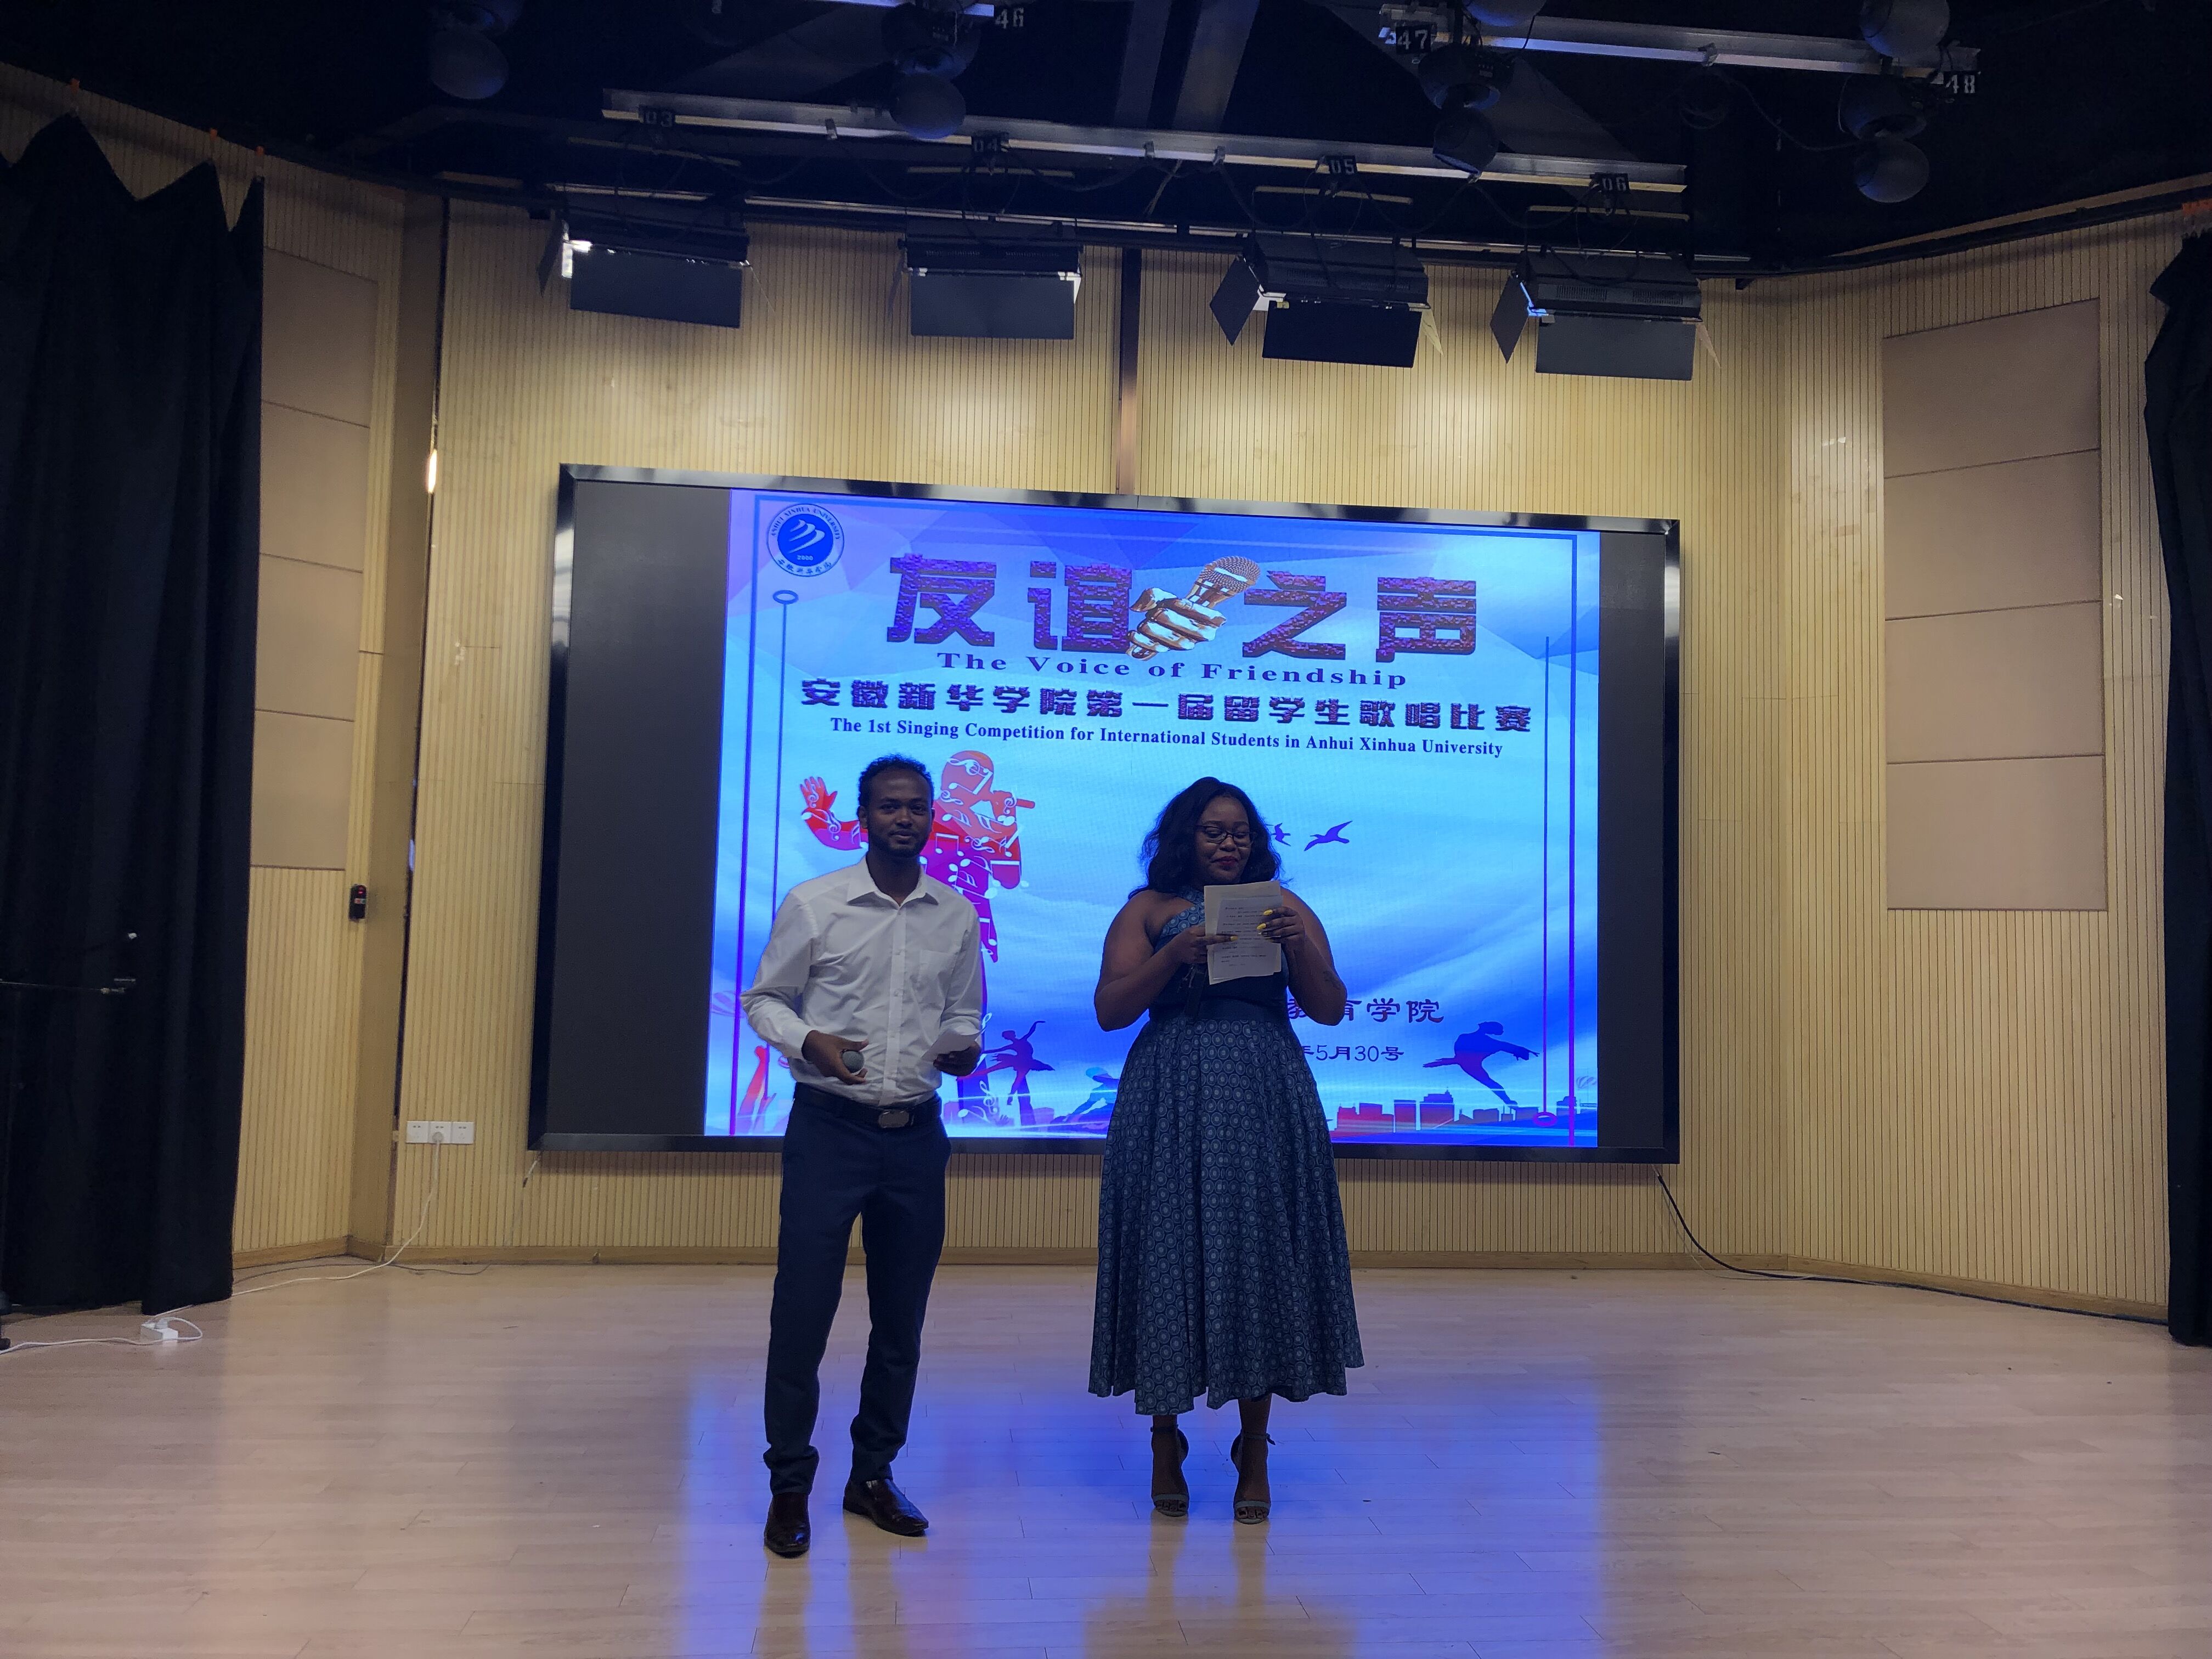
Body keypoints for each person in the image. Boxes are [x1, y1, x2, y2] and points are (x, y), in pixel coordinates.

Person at [1088, 777, 1363, 1523]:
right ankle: (1164, 1439)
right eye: (1213, 831)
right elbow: (1110, 1009)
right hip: (1170, 1088)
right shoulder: (1147, 910)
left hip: (1262, 1092)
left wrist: (1297, 945)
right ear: (1185, 836)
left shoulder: (1280, 904)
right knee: (1167, 1254)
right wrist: (1174, 955)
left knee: (1255, 1257)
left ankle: (1254, 1448)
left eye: (1241, 832)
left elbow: (1331, 1009)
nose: (1229, 843)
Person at [742, 754, 985, 1559]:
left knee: (900, 1318)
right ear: (863, 817)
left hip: (915, 1137)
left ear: (933, 818)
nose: (904, 818)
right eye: (889, 806)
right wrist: (807, 1039)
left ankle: (872, 1474)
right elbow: (764, 1000)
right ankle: (789, 1484)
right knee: (802, 1312)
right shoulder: (816, 904)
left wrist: (963, 1048)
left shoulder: (956, 913)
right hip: (829, 1131)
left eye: (916, 807)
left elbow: (965, 1014)